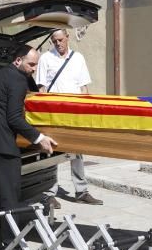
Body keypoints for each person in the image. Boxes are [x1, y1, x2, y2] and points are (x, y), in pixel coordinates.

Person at [0, 44, 58, 250]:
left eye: (36, 64)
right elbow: (14, 118)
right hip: (1, 147)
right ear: (18, 60)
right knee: (9, 197)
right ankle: (12, 248)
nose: (34, 69)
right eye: (31, 64)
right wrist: (39, 138)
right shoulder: (17, 80)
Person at [35, 29, 103, 207]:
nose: (58, 44)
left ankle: (81, 192)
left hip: (74, 114)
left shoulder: (78, 58)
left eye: (60, 40)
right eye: (54, 41)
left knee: (77, 153)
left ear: (67, 38)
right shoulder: (45, 59)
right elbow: (41, 90)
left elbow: (83, 88)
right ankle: (49, 193)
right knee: (51, 153)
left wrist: (87, 114)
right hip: (53, 114)